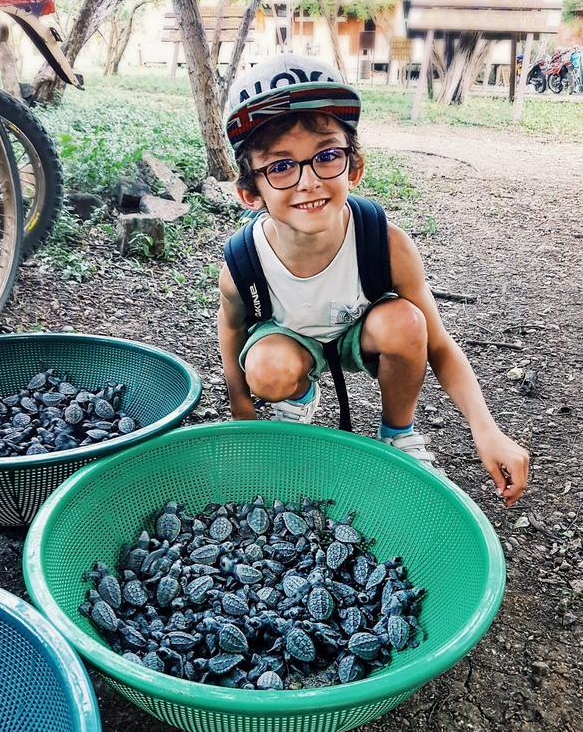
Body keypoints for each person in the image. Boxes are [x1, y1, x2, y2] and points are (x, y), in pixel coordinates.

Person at [217, 53, 529, 507]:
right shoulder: (244, 262)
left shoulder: (384, 243)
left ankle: (398, 434)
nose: (307, 181)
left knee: (407, 322)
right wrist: (242, 412)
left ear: (353, 168)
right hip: (286, 341)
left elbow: (438, 344)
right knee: (267, 367)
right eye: (281, 166)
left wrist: (486, 429)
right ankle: (299, 397)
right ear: (250, 192)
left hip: (359, 337)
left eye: (326, 156)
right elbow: (231, 330)